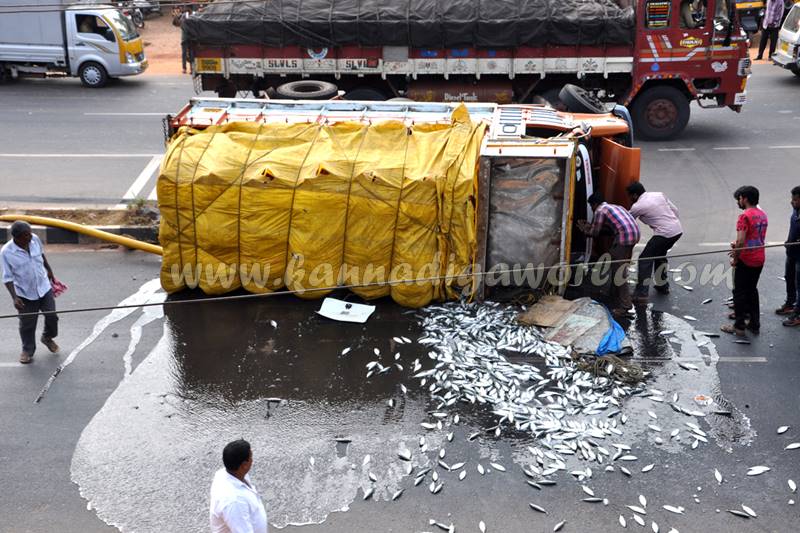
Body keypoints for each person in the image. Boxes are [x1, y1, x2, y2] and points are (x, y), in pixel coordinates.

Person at [2, 221, 59, 364]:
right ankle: (27, 350)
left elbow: (41, 255)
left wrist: (49, 270)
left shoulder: (34, 239)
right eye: (26, 235)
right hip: (24, 293)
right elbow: (7, 278)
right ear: (17, 237)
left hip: (43, 287)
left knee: (52, 316)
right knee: (27, 324)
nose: (30, 237)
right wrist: (15, 298)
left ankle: (47, 337)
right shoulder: (6, 252)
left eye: (30, 233)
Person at [577, 192, 641, 318]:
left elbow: (595, 233)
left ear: (594, 204)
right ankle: (614, 294)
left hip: (624, 238)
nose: (592, 209)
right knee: (617, 264)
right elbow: (609, 229)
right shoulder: (616, 207)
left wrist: (585, 229)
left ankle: (625, 307)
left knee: (619, 272)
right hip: (634, 234)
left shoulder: (600, 210)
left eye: (591, 207)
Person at [722, 186, 768, 336]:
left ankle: (739, 326)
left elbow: (741, 241)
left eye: (739, 199)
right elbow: (754, 237)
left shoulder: (744, 216)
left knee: (739, 292)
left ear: (745, 198)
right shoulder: (762, 214)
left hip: (746, 259)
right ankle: (754, 324)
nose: (738, 202)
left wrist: (735, 257)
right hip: (759, 258)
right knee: (752, 290)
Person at [626, 182, 683, 302]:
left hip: (664, 234)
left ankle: (642, 294)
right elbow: (675, 210)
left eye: (629, 196)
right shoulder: (658, 195)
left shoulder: (638, 206)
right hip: (677, 230)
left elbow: (627, 221)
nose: (629, 199)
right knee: (659, 256)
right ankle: (662, 285)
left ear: (635, 195)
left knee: (644, 260)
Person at [210, 439, 268, 533]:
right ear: (244, 465)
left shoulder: (225, 474)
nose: (252, 460)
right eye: (251, 457)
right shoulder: (234, 501)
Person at [777, 186, 800, 327]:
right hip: (791, 252)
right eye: (792, 199)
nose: (792, 202)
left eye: (795, 200)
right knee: (789, 277)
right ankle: (790, 303)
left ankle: (798, 313)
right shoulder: (796, 211)